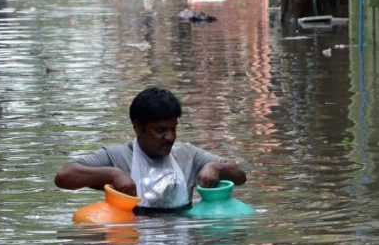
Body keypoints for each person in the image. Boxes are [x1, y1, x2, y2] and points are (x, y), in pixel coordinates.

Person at [55, 87, 247, 213]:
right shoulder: (117, 156)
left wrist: (217, 168)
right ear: (137, 127)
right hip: (133, 238)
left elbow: (240, 177)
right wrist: (112, 174)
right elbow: (64, 177)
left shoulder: (188, 155)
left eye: (173, 129)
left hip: (180, 238)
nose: (170, 137)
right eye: (160, 130)